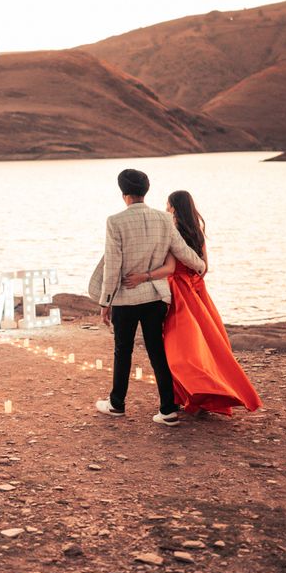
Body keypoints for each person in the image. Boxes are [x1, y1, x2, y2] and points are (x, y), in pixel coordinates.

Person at [122, 191, 262, 415]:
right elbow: (204, 266)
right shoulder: (198, 233)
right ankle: (199, 397)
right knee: (206, 346)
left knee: (177, 351)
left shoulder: (173, 232)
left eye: (167, 205)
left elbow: (168, 268)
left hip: (179, 293)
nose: (166, 209)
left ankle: (199, 393)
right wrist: (194, 281)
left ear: (174, 208)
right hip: (197, 291)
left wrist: (143, 277)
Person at [93, 169, 206, 427]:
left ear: (123, 194)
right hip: (156, 297)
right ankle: (168, 409)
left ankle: (117, 404)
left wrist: (105, 301)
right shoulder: (163, 219)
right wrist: (199, 265)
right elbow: (181, 250)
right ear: (146, 191)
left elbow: (113, 265)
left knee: (123, 350)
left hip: (125, 298)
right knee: (157, 350)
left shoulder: (115, 221)